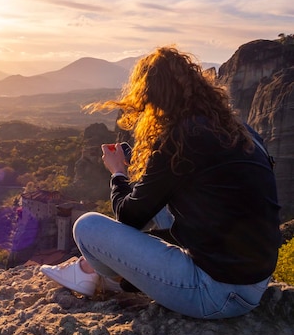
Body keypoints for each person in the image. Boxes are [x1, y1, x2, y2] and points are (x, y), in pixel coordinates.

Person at [41, 46, 282, 319]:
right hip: (253, 282)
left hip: (216, 293)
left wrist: (118, 172)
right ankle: (95, 270)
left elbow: (129, 217)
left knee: (87, 226)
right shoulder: (236, 130)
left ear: (152, 97)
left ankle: (91, 271)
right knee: (155, 196)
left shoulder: (180, 140)